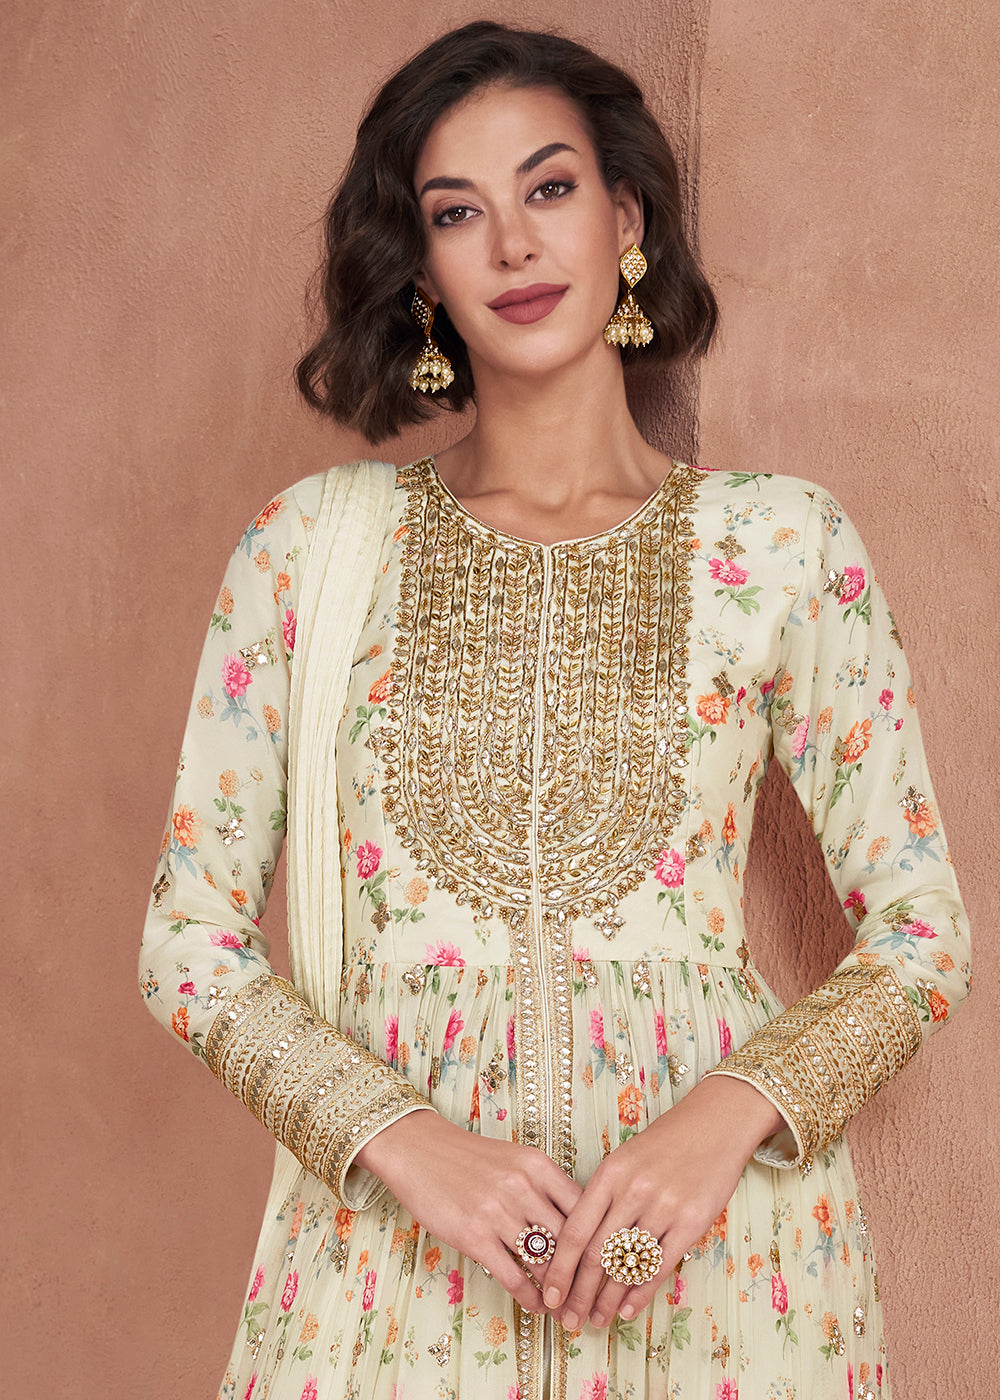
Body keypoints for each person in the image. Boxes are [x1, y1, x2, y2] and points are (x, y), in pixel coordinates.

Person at [140, 20, 970, 1400]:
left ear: (626, 217)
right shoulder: (312, 550)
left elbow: (923, 932)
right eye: (457, 212)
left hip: (723, 1266)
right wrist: (405, 1141)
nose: (514, 244)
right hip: (397, 1269)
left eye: (550, 187)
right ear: (420, 268)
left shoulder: (778, 544)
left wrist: (730, 1114)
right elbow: (189, 944)